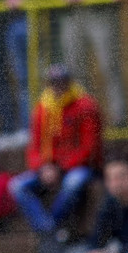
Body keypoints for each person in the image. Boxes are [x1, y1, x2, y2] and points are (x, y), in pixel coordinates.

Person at [8, 65, 102, 237]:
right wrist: (43, 168)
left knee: (73, 183)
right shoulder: (42, 109)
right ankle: (47, 228)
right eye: (54, 83)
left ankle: (52, 224)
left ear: (69, 82)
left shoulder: (85, 105)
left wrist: (60, 168)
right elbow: (34, 147)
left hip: (79, 166)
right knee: (17, 186)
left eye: (62, 82)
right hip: (49, 168)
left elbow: (89, 148)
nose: (58, 86)